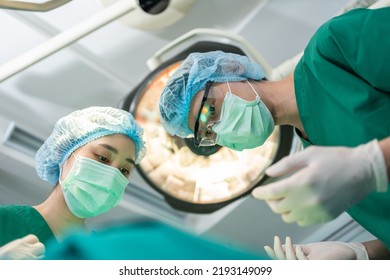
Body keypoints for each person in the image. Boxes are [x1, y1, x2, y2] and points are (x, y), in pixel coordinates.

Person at [158, 7, 390, 259]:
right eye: (208, 134)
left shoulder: (334, 48)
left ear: (233, 69)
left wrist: (374, 161)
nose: (220, 128)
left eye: (208, 112)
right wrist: (363, 253)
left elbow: (370, 168)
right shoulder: (313, 163)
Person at [0, 106, 146, 259]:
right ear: (66, 154)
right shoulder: (4, 220)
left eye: (124, 170)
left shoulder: (102, 256)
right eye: (103, 157)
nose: (112, 175)